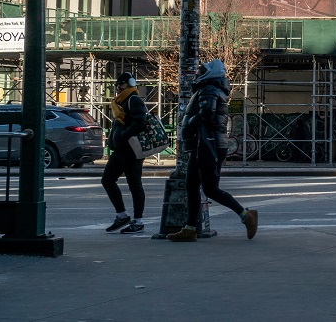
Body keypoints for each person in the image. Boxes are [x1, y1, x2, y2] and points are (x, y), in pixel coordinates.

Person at [168, 60, 259, 242]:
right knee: (192, 186)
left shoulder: (209, 89)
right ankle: (190, 229)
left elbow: (206, 115)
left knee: (210, 189)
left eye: (202, 70)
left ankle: (246, 215)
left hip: (207, 145)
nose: (198, 73)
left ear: (210, 73)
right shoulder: (209, 88)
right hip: (205, 144)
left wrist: (188, 123)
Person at [101, 72, 147, 234]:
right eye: (117, 84)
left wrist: (124, 135)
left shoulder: (134, 100)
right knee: (107, 180)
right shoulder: (121, 101)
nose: (117, 87)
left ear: (129, 84)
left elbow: (141, 122)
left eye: (121, 84)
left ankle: (138, 221)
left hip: (132, 151)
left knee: (135, 186)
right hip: (120, 150)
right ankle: (122, 215)